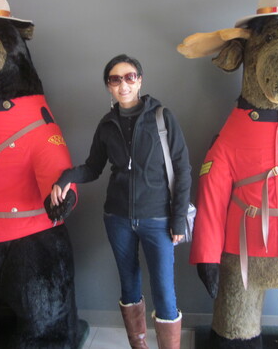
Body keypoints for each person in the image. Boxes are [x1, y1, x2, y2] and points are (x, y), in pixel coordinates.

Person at [51, 54, 191, 349]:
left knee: (164, 292)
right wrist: (65, 178)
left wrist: (178, 219)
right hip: (117, 218)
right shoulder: (107, 124)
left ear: (140, 81)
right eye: (115, 80)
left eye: (129, 77)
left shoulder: (162, 117)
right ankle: (138, 345)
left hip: (158, 219)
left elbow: (182, 170)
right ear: (108, 86)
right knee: (128, 286)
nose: (123, 85)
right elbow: (93, 168)